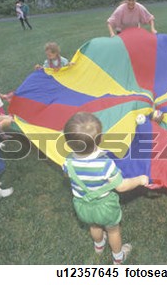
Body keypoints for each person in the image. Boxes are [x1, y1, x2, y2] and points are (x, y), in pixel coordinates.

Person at [63, 112, 149, 264]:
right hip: (105, 207)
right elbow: (122, 186)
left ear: (69, 143)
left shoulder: (68, 162)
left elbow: (68, 176)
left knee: (94, 225)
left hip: (82, 206)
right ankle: (118, 256)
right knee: (113, 230)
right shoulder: (105, 164)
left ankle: (99, 245)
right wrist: (139, 179)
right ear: (100, 138)